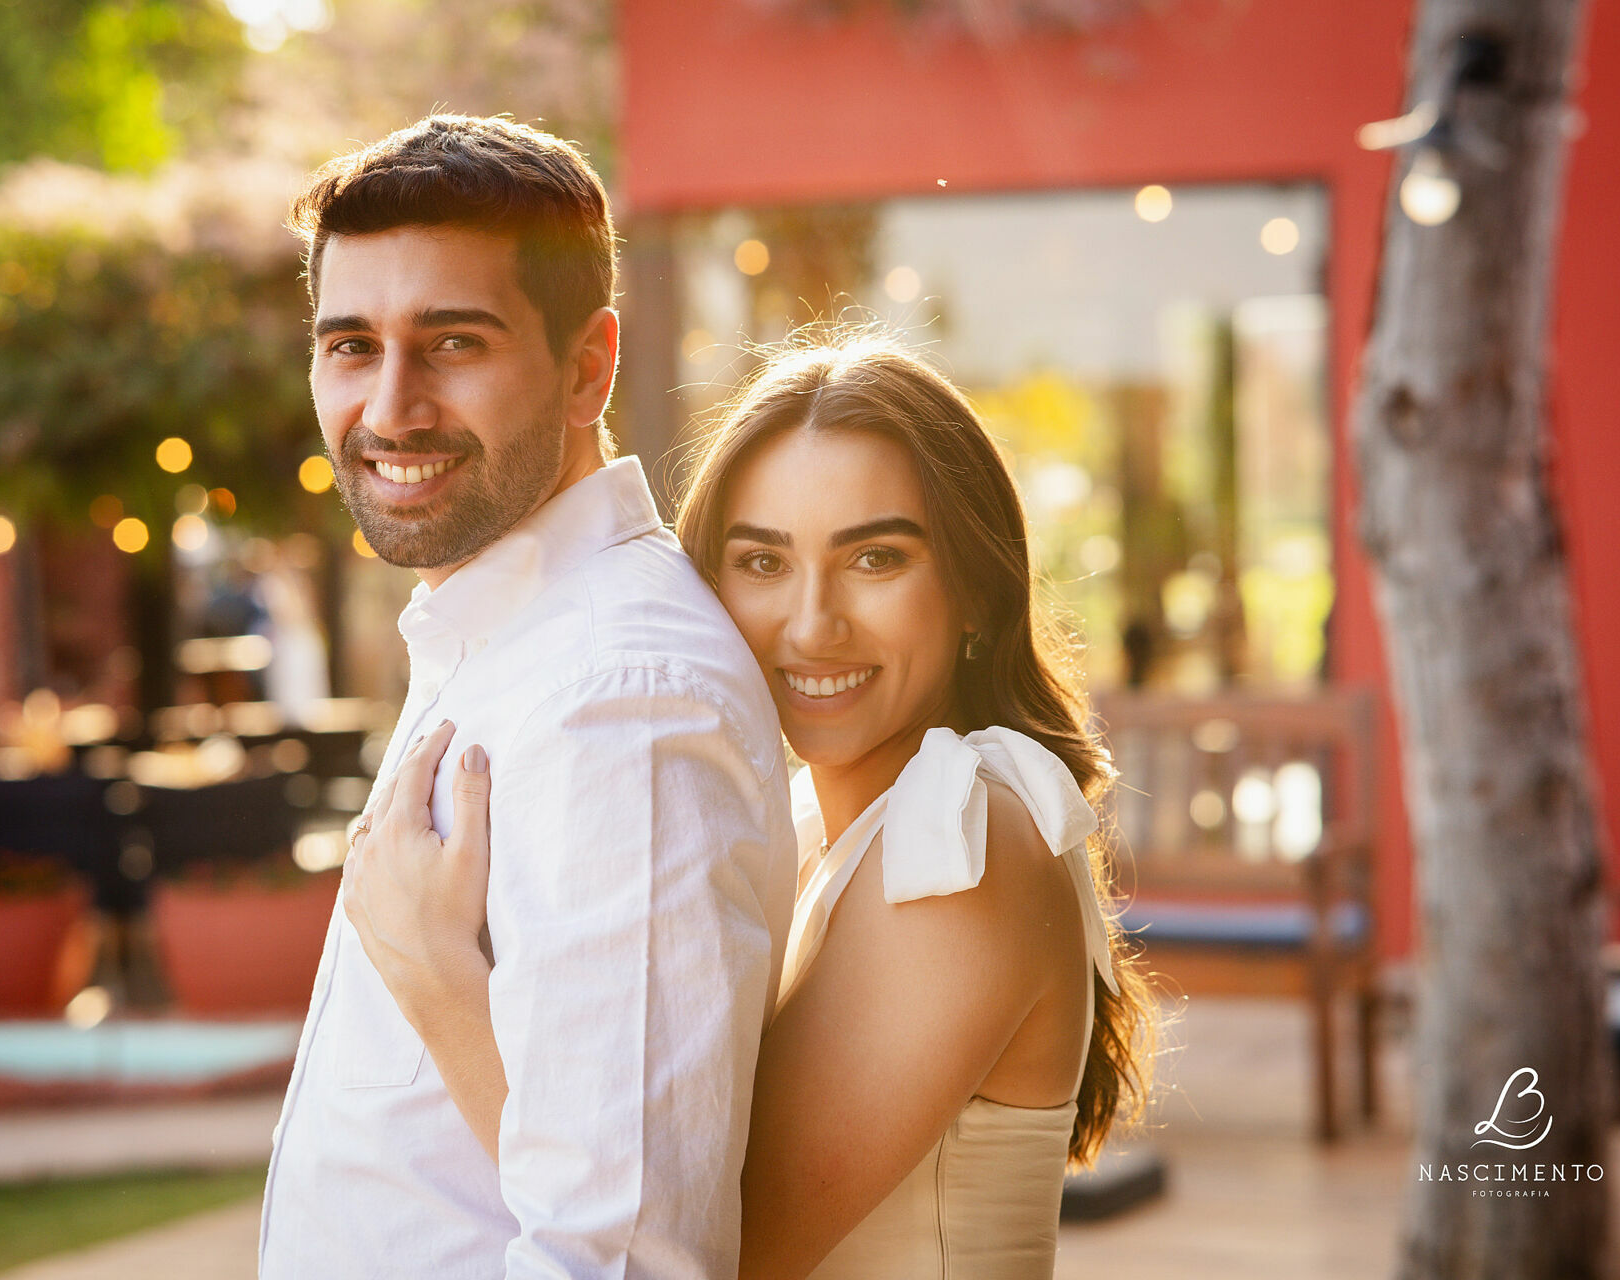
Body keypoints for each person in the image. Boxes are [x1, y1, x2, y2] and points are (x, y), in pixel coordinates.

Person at [346, 336, 1160, 1278]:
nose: (813, 625)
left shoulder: (965, 843)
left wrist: (439, 980)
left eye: (876, 559)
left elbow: (704, 1255)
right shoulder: (817, 830)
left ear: (976, 588)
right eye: (763, 564)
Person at [259, 114, 799, 1279]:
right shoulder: (503, 641)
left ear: (588, 366)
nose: (390, 409)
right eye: (350, 344)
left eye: (452, 342)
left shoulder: (620, 699)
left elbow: (619, 1259)